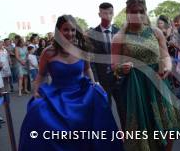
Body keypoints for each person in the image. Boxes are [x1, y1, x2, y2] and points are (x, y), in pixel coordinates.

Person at [18, 15, 123, 151]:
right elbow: (41, 74)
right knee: (37, 109)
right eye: (65, 30)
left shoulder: (82, 49)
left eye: (73, 30)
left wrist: (94, 83)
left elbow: (87, 69)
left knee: (99, 100)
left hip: (81, 92)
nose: (70, 33)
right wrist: (37, 90)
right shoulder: (48, 52)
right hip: (57, 94)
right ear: (58, 31)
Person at [111, 0, 180, 151]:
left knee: (168, 125)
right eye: (133, 12)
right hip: (136, 87)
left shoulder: (156, 32)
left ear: (145, 12)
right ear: (127, 13)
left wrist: (169, 67)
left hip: (159, 81)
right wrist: (121, 68)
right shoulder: (119, 37)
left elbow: (165, 56)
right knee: (145, 126)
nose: (137, 15)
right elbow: (114, 65)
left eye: (140, 11)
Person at [88, 2, 119, 105]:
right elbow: (91, 60)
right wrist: (96, 80)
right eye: (105, 13)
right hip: (102, 79)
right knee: (106, 109)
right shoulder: (92, 34)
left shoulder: (120, 32)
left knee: (124, 110)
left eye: (110, 13)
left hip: (120, 77)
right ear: (99, 14)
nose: (108, 16)